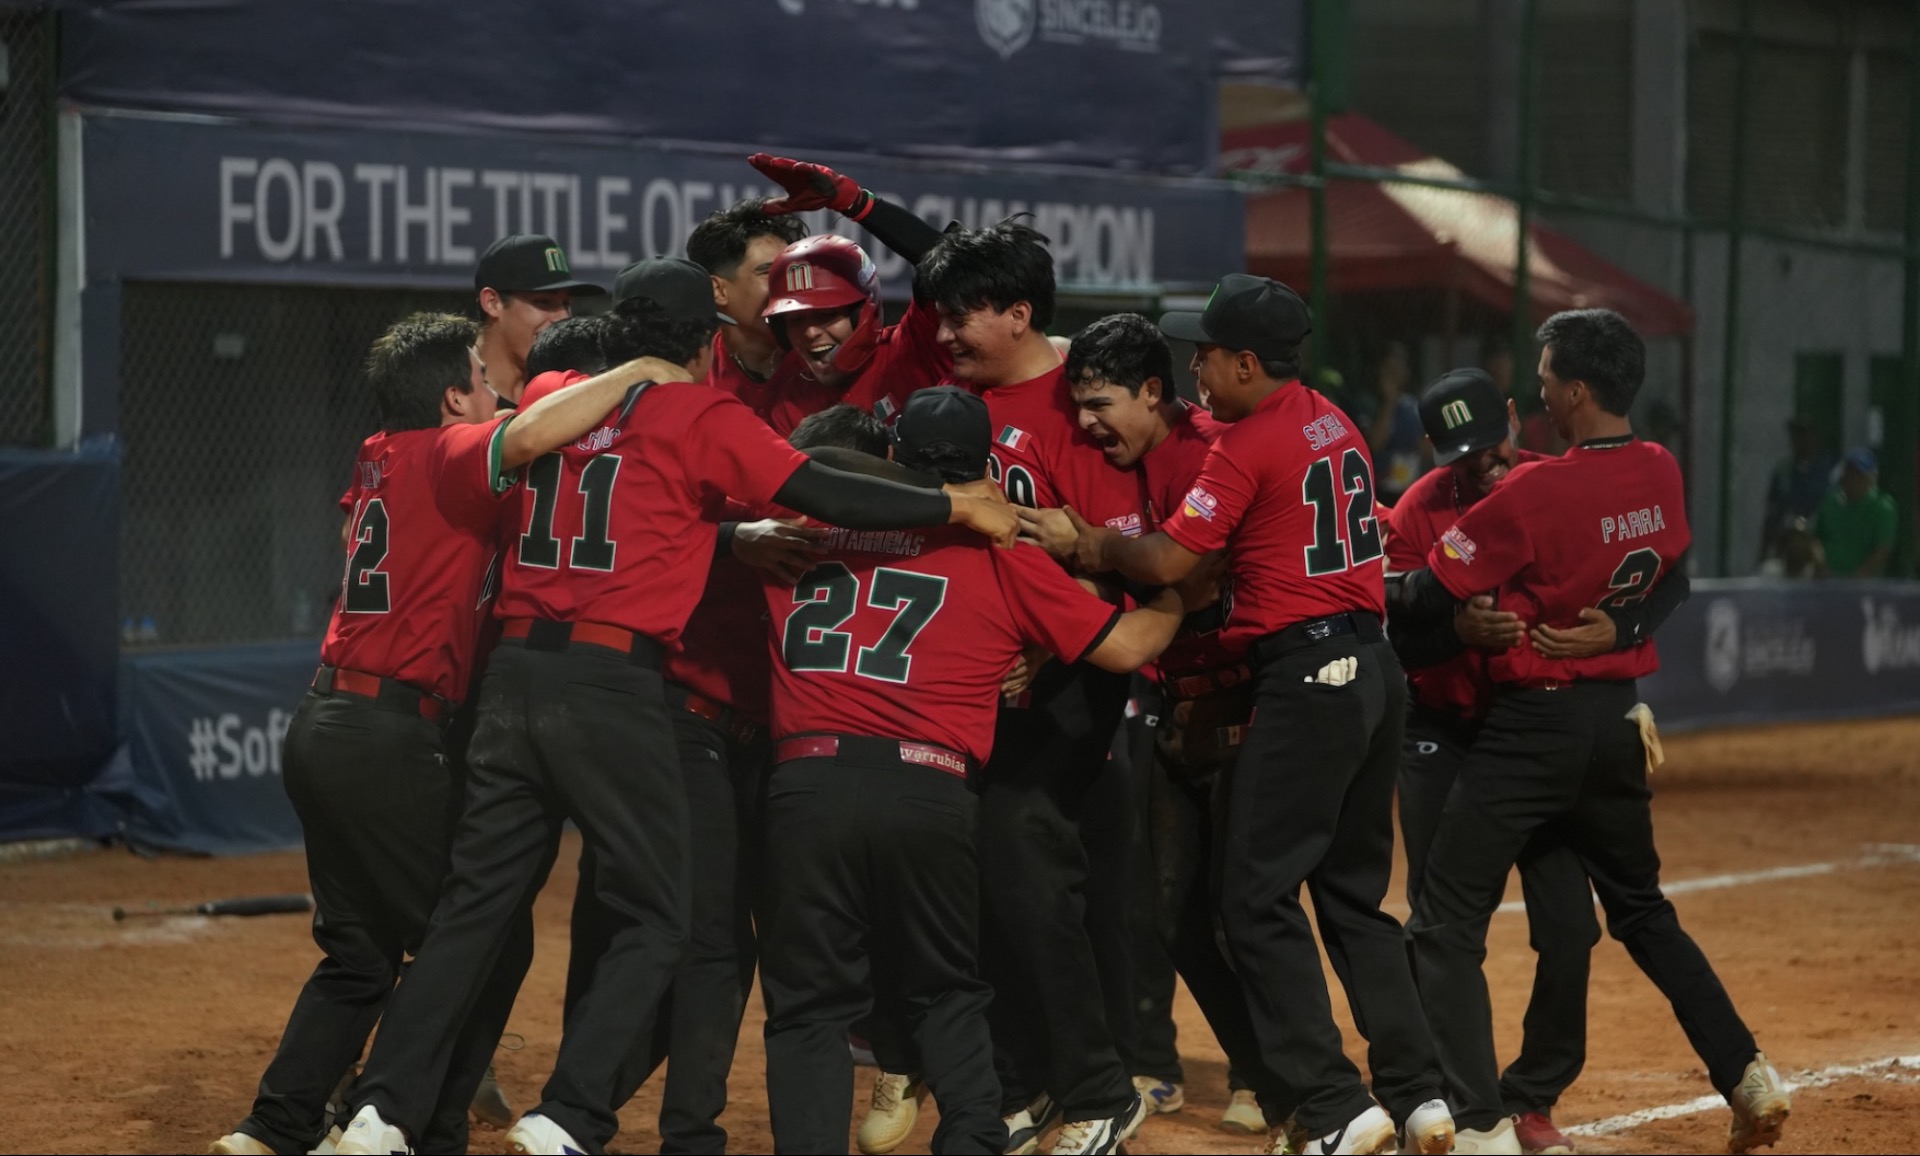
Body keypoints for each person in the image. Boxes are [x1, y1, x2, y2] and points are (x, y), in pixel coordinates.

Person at [331, 261, 1020, 1156]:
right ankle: (572, 1112)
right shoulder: (702, 413)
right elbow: (825, 493)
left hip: (512, 679)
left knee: (474, 906)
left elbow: (587, 452)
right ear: (705, 341)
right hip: (611, 685)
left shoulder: (552, 391)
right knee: (666, 917)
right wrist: (952, 505)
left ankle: (380, 1109)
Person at [208, 313, 690, 1156]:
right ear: (449, 399)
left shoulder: (378, 450)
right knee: (482, 941)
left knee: (358, 952)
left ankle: (273, 1125)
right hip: (391, 736)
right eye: (478, 376)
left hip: (325, 721)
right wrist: (642, 370)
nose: (494, 389)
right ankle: (414, 1127)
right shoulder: (448, 450)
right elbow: (535, 431)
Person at [1052, 275, 1454, 1156]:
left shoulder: (1244, 441)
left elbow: (1169, 558)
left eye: (1206, 356)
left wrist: (1094, 543)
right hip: (1374, 668)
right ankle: (1421, 1093)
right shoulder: (1330, 418)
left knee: (1253, 897)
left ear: (1243, 361)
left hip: (1306, 671)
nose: (1196, 371)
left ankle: (1333, 1103)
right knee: (1352, 899)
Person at [1393, 309, 1790, 1155]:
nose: (1539, 394)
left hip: (1531, 729)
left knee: (1443, 921)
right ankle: (1749, 1073)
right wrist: (1626, 630)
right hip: (1611, 725)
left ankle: (1482, 1125)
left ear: (1575, 391)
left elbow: (1424, 592)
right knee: (1642, 911)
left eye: (1543, 382)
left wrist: (1444, 614)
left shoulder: (1536, 490)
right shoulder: (1659, 468)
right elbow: (1670, 574)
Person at [755, 385, 1186, 1155]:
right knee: (947, 994)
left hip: (805, 784)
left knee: (809, 1009)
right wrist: (1179, 595)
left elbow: (804, 463)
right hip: (926, 789)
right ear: (986, 464)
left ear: (892, 456)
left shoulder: (805, 523)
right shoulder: (998, 551)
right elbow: (1126, 648)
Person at [1384, 367, 1689, 1156]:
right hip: (1444, 735)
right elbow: (1398, 630)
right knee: (1443, 924)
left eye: (1492, 444)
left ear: (1516, 419)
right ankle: (1461, 1099)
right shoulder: (1419, 512)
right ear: (1431, 449)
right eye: (1461, 454)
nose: (1482, 464)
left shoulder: (1557, 487)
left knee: (1569, 929)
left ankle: (1533, 1092)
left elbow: (1637, 585)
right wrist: (1459, 631)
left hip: (1534, 738)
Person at [913, 220, 1158, 1156]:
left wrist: (1048, 637)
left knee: (1025, 870)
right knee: (977, 880)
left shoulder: (1081, 404)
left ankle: (1101, 1085)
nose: (943, 334)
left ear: (1019, 313)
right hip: (981, 682)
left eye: (962, 316)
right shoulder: (950, 400)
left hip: (1066, 679)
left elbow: (1121, 558)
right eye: (936, 316)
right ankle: (1022, 1081)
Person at [1022, 312, 1296, 1139]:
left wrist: (1092, 553)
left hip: (1255, 700)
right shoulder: (1121, 458)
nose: (1086, 424)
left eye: (1100, 404)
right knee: (1173, 909)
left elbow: (1196, 577)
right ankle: (1271, 1074)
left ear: (1153, 391)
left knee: (1242, 906)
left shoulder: (1209, 448)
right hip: (1176, 700)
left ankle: (1310, 1086)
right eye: (1078, 408)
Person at [748, 153, 954, 434]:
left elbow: (957, 265)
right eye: (796, 320)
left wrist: (857, 204)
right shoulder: (788, 404)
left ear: (864, 312)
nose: (809, 333)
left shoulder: (916, 346)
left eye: (825, 315)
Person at [685, 196, 810, 412]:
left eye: (791, 270)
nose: (788, 285)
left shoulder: (823, 363)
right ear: (718, 290)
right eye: (769, 272)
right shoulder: (690, 378)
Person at [472, 233, 605, 403]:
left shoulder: (569, 386)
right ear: (493, 302)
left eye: (566, 303)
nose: (563, 317)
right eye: (544, 302)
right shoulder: (449, 392)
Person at [1759, 417, 1836, 569]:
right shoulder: (1784, 471)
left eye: (1806, 434)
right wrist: (1765, 551)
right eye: (1796, 435)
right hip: (1788, 545)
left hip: (1820, 545)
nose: (1801, 441)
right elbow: (1773, 513)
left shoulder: (1831, 470)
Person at [1815, 447, 1898, 578]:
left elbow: (1884, 549)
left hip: (1866, 586)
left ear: (1871, 478)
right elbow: (1816, 539)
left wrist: (1859, 576)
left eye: (1859, 474)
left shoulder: (1883, 506)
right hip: (1827, 581)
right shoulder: (1830, 502)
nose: (1853, 479)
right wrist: (1820, 567)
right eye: (1850, 472)